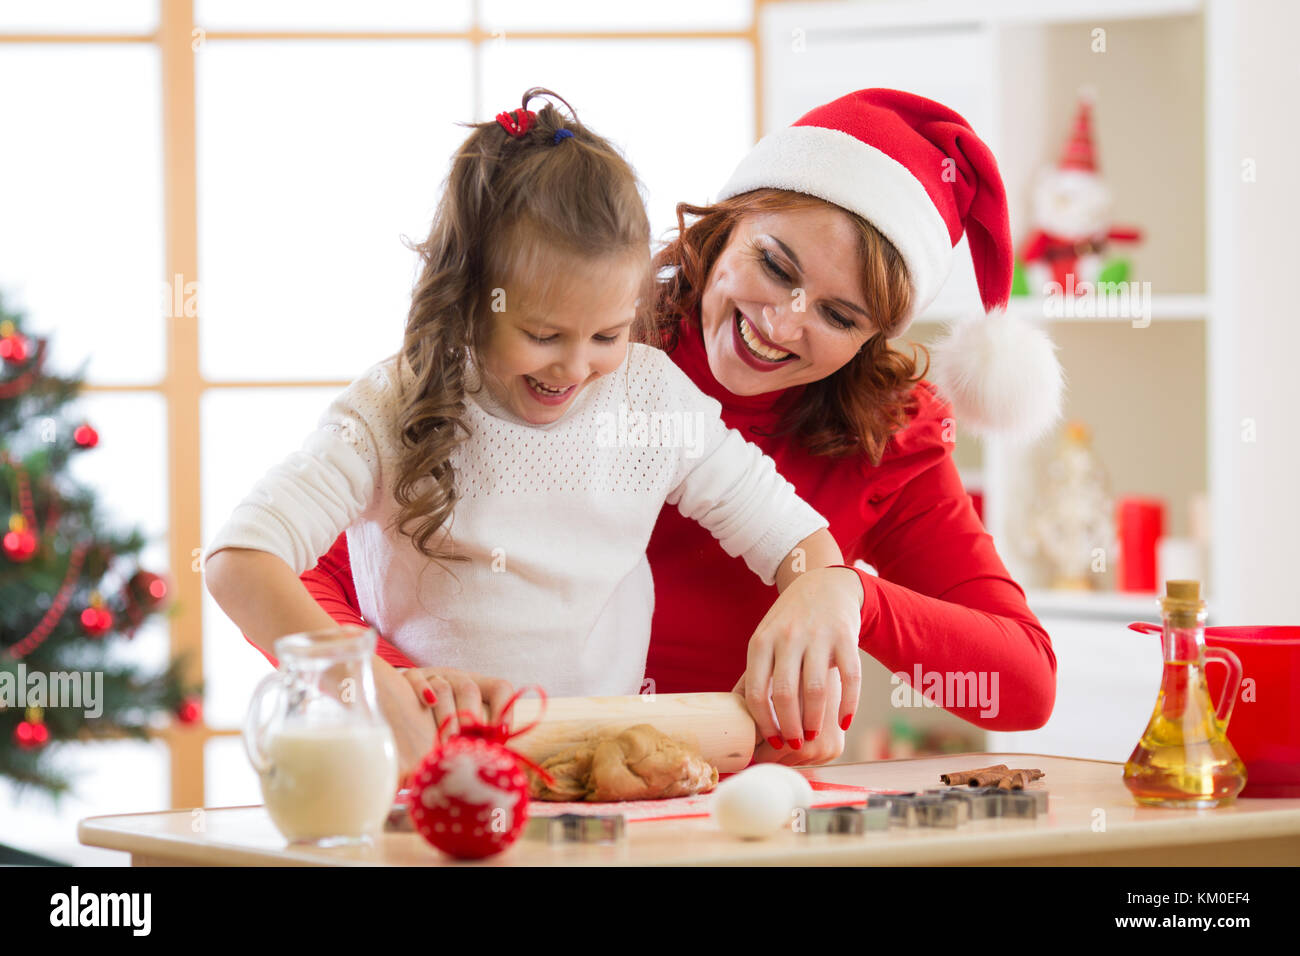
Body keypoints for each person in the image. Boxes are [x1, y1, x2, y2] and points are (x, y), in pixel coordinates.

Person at [293, 89, 1066, 768]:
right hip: (479, 767)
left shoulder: (885, 441)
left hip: (711, 804)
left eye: (838, 315)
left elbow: (1024, 687)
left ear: (872, 338)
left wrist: (846, 599)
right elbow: (307, 567)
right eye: (775, 265)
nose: (782, 323)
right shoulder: (575, 356)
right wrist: (401, 688)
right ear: (723, 228)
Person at [202, 89, 867, 782]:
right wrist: (360, 677)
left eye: (608, 334)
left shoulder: (650, 395)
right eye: (542, 335)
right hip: (433, 770)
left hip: (600, 772)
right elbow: (238, 558)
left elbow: (795, 541)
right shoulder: (392, 407)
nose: (577, 368)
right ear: (469, 298)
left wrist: (821, 608)